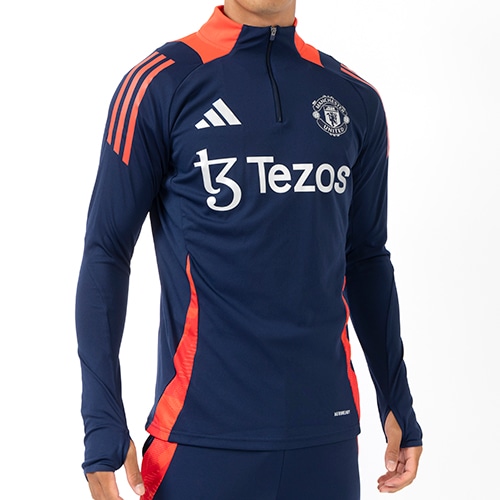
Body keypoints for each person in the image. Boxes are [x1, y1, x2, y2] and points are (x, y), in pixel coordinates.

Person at [75, 1, 423, 498]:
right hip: (199, 442)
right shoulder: (160, 83)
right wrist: (102, 420)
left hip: (326, 441)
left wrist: (396, 398)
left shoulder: (354, 98)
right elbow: (106, 253)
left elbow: (366, 257)